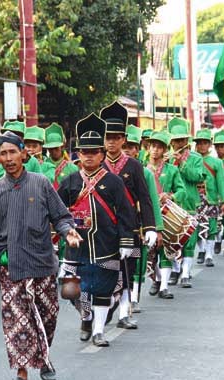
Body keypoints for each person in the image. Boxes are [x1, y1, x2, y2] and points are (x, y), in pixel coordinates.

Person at [0, 130, 81, 380]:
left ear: (24, 153)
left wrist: (67, 230)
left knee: (48, 316)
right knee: (18, 322)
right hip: (11, 267)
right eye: (3, 153)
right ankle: (22, 373)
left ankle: (44, 357)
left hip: (43, 264)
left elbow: (60, 215)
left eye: (13, 152)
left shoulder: (41, 183)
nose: (9, 157)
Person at [58, 113, 136, 346]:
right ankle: (86, 317)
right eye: (84, 152)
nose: (89, 156)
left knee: (103, 289)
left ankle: (99, 331)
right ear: (78, 154)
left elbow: (125, 214)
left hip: (106, 244)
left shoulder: (114, 182)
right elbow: (56, 210)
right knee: (73, 290)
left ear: (101, 154)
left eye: (93, 152)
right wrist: (57, 233)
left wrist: (125, 241)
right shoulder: (70, 181)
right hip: (76, 246)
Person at [100, 101, 156, 329]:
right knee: (104, 272)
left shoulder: (133, 166)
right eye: (108, 137)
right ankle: (102, 311)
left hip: (129, 228)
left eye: (116, 137)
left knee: (127, 271)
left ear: (123, 139)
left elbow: (145, 197)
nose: (112, 141)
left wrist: (151, 227)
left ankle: (124, 313)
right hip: (102, 230)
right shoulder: (97, 165)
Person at [124, 124, 163, 311]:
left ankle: (133, 298)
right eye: (125, 146)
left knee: (137, 261)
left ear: (137, 150)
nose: (127, 150)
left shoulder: (145, 172)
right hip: (114, 225)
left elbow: (151, 202)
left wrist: (155, 228)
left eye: (131, 147)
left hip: (137, 225)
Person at [145, 131, 185, 298]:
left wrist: (171, 196)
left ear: (164, 150)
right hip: (147, 214)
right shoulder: (141, 168)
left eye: (159, 147)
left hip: (166, 214)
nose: (155, 150)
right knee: (149, 252)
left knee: (166, 250)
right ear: (148, 148)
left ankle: (164, 287)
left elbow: (182, 190)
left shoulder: (172, 170)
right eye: (152, 146)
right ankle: (156, 279)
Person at [167, 117, 206, 287]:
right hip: (172, 205)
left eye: (182, 140)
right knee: (171, 240)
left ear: (187, 140)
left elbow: (198, 177)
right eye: (176, 140)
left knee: (189, 239)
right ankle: (175, 270)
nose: (179, 143)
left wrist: (182, 163)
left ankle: (185, 272)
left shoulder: (196, 158)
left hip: (190, 203)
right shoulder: (166, 158)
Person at [193, 129, 224, 267]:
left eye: (204, 143)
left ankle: (209, 254)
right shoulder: (191, 160)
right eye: (199, 143)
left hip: (211, 199)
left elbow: (221, 182)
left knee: (212, 228)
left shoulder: (216, 162)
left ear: (209, 145)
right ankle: (201, 250)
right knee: (196, 228)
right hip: (195, 199)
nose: (202, 146)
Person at [40, 123, 78, 189]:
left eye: (56, 148)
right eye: (51, 149)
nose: (53, 151)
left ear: (62, 147)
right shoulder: (42, 165)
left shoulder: (73, 168)